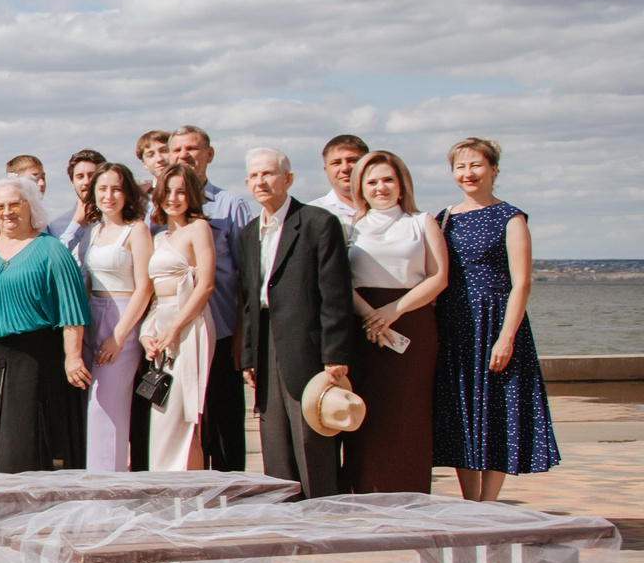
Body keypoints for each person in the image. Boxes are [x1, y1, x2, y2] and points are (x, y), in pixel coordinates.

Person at [433, 138, 559, 500]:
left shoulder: (510, 217)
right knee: (463, 412)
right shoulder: (443, 218)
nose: (467, 173)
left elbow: (522, 283)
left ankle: (489, 503)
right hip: (455, 326)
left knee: (496, 411)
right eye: (460, 166)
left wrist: (506, 337)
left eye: (475, 165)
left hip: (495, 324)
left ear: (493, 170)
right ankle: (470, 502)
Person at [238, 147, 358, 499]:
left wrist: (334, 353)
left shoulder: (318, 223)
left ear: (287, 179)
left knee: (311, 433)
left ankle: (322, 510)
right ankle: (283, 509)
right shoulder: (248, 234)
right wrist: (248, 355)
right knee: (272, 434)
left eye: (269, 173)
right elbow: (248, 299)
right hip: (265, 342)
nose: (261, 181)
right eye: (254, 176)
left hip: (308, 346)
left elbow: (335, 295)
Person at [0, 175, 89, 473]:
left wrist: (73, 357)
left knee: (21, 439)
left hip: (33, 355)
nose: (7, 212)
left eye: (14, 204)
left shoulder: (51, 249)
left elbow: (72, 310)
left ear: (30, 206)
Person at [342, 150, 446, 493]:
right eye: (371, 182)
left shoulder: (422, 221)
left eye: (388, 179)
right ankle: (364, 490)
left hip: (411, 323)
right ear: (361, 188)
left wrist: (394, 310)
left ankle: (410, 492)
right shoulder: (349, 226)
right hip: (364, 329)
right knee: (367, 411)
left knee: (408, 412)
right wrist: (370, 315)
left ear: (402, 185)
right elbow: (339, 280)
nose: (380, 187)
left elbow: (438, 277)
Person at [166, 126, 252, 471]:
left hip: (220, 330)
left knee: (225, 419)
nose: (183, 155)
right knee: (187, 422)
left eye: (192, 148)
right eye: (176, 150)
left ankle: (233, 493)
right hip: (176, 335)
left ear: (209, 155)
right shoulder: (159, 210)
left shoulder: (231, 206)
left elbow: (247, 274)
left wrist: (242, 334)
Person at [77, 164, 155, 471]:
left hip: (122, 318)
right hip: (93, 317)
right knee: (93, 406)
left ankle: (110, 482)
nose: (109, 196)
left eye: (116, 188)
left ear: (128, 194)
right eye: (102, 189)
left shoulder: (136, 230)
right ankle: (96, 476)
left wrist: (119, 335)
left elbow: (145, 287)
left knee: (106, 407)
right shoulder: (93, 231)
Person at [141, 165, 219, 470]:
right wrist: (148, 333)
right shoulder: (159, 238)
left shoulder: (199, 228)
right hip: (162, 325)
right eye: (168, 191)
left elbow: (207, 285)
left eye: (181, 191)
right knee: (162, 407)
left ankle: (190, 490)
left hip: (190, 324)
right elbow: (155, 295)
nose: (173, 198)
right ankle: (166, 485)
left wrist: (175, 329)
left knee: (185, 412)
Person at [49, 150, 106, 244]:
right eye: (80, 176)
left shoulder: (118, 218)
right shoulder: (57, 226)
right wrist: (76, 224)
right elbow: (59, 258)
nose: (86, 182)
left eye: (91, 175)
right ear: (72, 182)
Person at [316, 133, 369, 226]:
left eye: (352, 160)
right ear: (326, 170)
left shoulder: (389, 210)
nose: (345, 168)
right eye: (336, 163)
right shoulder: (312, 214)